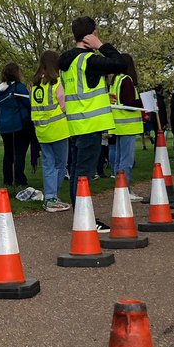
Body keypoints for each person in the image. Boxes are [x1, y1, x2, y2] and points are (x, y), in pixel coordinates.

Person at [58, 17, 129, 226]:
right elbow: (120, 63)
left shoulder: (67, 62)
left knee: (78, 173)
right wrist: (101, 46)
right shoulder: (88, 60)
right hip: (90, 125)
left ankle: (80, 217)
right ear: (92, 34)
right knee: (84, 174)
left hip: (76, 125)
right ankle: (85, 220)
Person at [30, 50, 70, 212]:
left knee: (48, 165)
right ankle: (53, 197)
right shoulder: (57, 82)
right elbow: (64, 105)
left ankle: (49, 197)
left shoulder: (36, 84)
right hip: (58, 129)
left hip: (42, 130)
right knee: (61, 165)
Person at [108, 57, 144, 199]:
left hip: (118, 124)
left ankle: (120, 188)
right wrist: (142, 101)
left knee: (118, 160)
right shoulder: (126, 80)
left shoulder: (115, 80)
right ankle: (125, 190)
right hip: (128, 125)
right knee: (126, 161)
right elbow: (129, 103)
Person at [0, 62, 34, 198]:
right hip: (18, 124)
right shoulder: (19, 87)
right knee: (19, 153)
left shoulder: (1, 90)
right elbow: (28, 103)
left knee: (8, 154)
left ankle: (8, 179)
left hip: (5, 126)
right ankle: (19, 179)